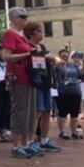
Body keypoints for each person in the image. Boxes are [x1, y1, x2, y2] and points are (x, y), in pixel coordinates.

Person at [0, 8, 40, 159]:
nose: (25, 19)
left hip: (29, 76)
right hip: (18, 76)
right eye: (22, 17)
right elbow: (6, 56)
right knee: (20, 111)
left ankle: (25, 144)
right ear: (14, 19)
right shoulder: (10, 34)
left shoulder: (22, 36)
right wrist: (28, 53)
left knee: (29, 112)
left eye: (26, 16)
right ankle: (16, 146)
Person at [25, 24, 61, 153]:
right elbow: (37, 58)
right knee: (37, 112)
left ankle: (44, 139)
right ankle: (30, 141)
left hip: (46, 82)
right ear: (31, 33)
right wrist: (47, 57)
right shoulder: (28, 46)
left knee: (47, 110)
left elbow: (55, 59)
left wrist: (46, 57)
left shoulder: (43, 47)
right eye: (39, 31)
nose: (42, 33)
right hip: (35, 82)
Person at [55, 49, 84, 140]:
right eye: (63, 56)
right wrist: (57, 64)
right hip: (63, 91)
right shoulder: (58, 66)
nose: (65, 58)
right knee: (63, 112)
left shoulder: (74, 65)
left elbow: (82, 72)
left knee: (74, 113)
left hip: (75, 90)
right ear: (60, 57)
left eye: (66, 56)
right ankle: (62, 132)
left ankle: (74, 131)